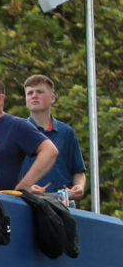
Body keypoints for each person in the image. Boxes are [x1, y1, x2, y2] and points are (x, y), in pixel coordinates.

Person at [0, 75, 58, 195]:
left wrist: (23, 187)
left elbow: (50, 151)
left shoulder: (16, 126)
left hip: (1, 205)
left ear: (0, 99)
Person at [23, 74, 88, 203]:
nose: (34, 96)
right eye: (30, 93)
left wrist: (79, 187)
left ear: (52, 98)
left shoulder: (66, 133)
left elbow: (78, 171)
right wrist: (24, 187)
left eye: (40, 92)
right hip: (28, 201)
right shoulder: (19, 131)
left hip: (63, 202)